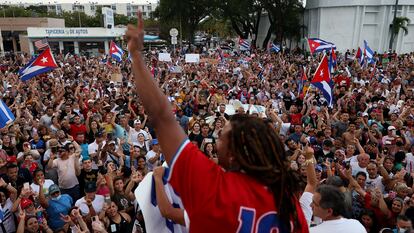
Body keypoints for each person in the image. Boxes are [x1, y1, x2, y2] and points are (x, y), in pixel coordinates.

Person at [125, 11, 308, 232]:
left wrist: (135, 55)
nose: (216, 139)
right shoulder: (289, 205)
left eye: (221, 137)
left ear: (233, 154)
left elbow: (161, 117)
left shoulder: (215, 188)